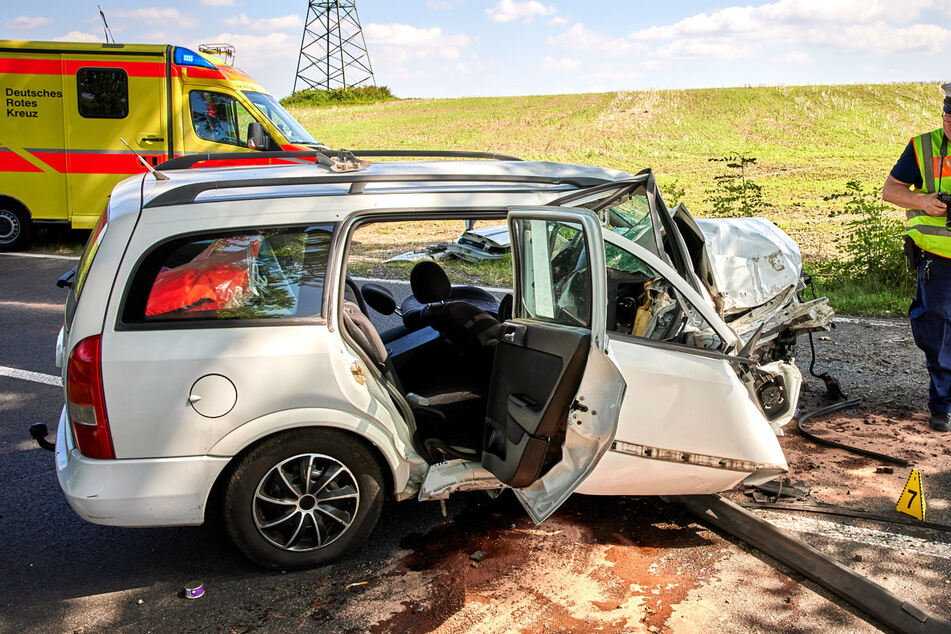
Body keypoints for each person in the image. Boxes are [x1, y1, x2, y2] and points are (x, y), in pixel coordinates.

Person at [883, 82, 951, 432]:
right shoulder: (924, 146)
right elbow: (890, 190)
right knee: (937, 332)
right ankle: (943, 406)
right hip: (938, 261)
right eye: (949, 119)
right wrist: (925, 202)